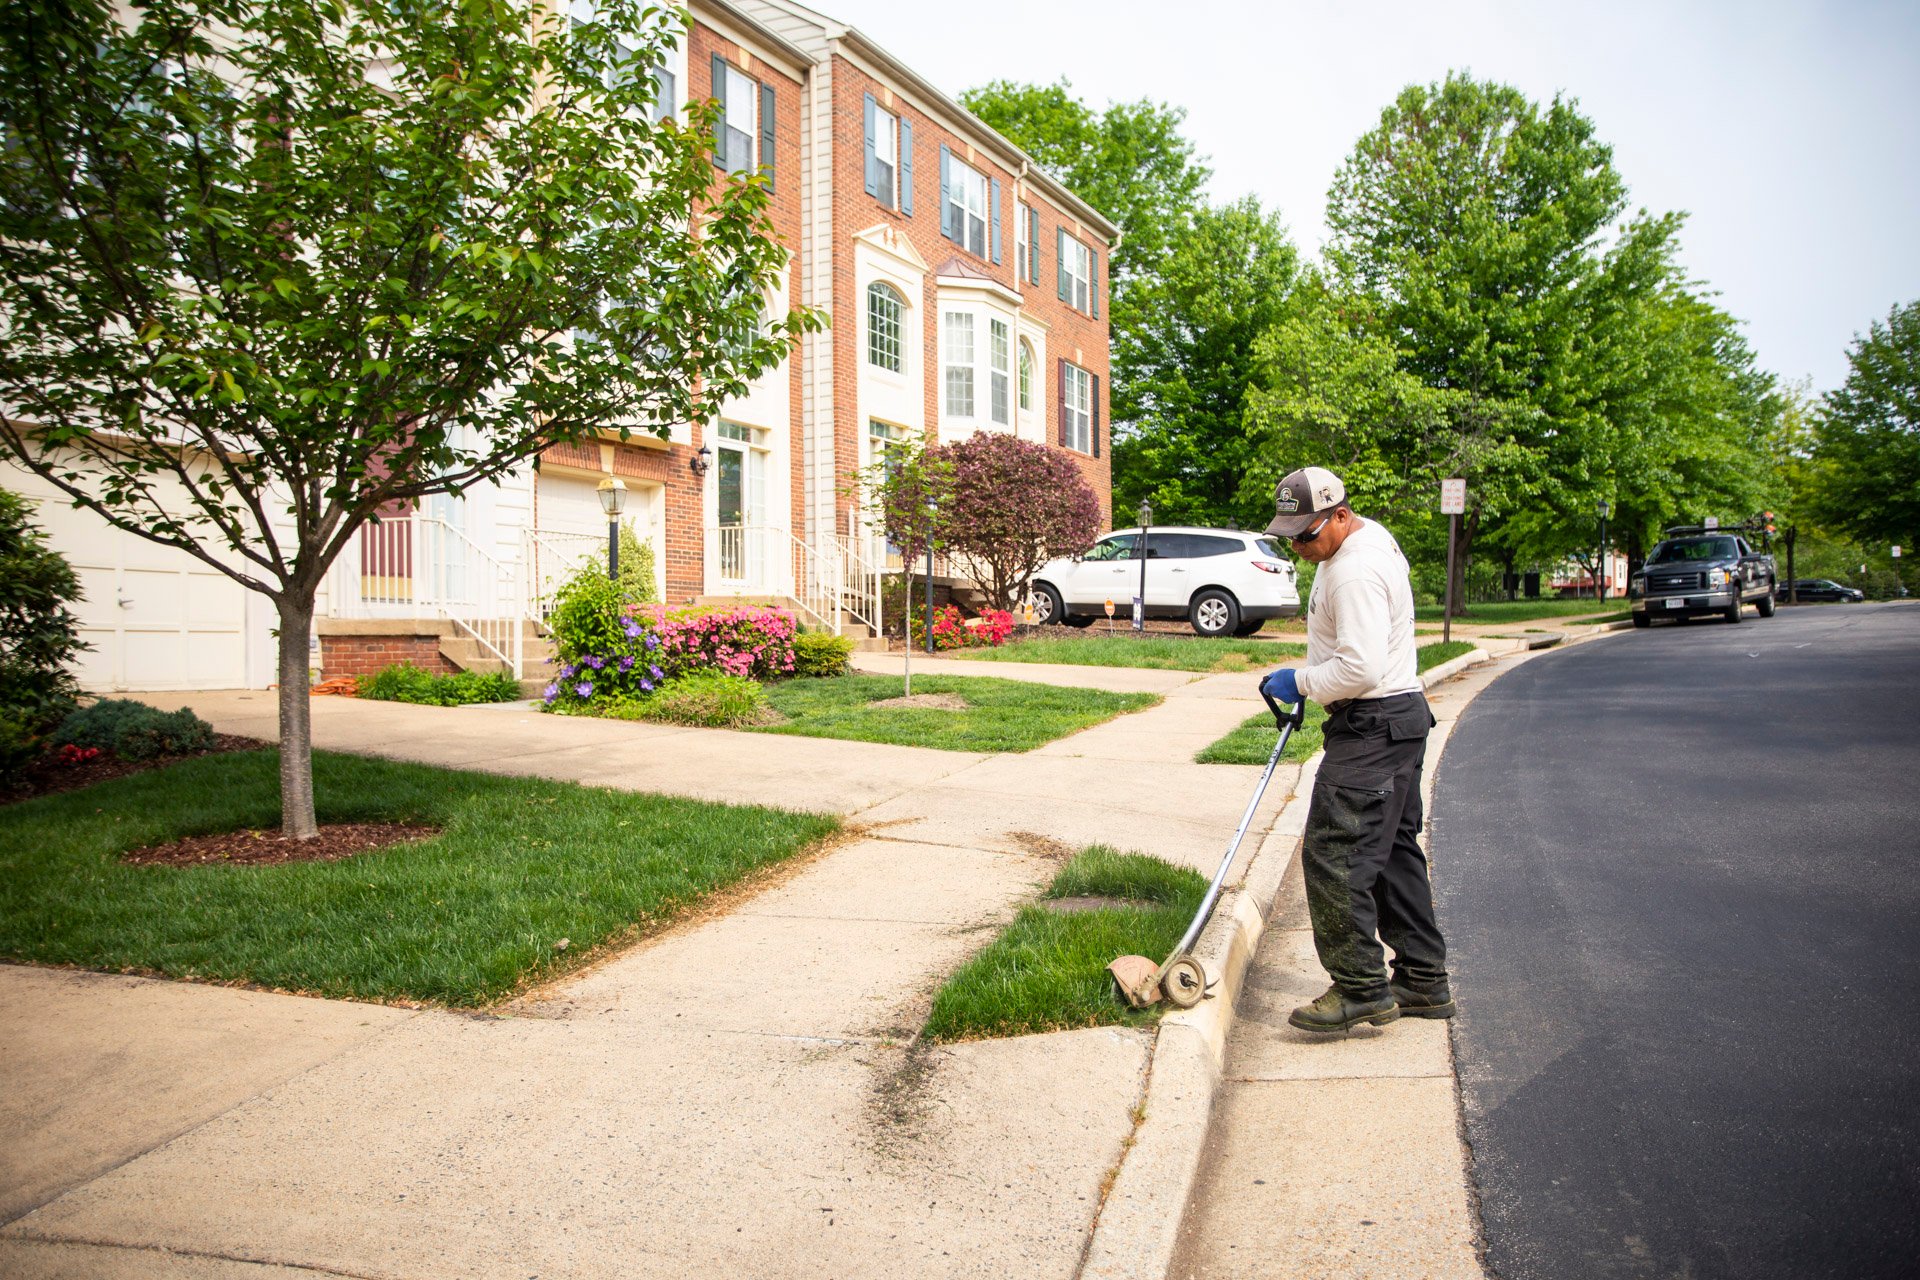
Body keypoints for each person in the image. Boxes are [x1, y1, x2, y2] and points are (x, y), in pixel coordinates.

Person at [1259, 467, 1454, 1033]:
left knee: (1335, 855)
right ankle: (1422, 979)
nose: (1297, 547)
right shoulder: (1366, 542)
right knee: (1392, 851)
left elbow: (1360, 667)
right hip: (1396, 719)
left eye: (1307, 534)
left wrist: (1299, 682)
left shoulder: (1354, 571)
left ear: (1340, 514)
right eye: (1289, 536)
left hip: (1372, 724)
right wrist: (1314, 681)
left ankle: (1361, 987)